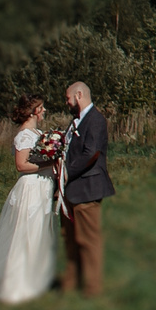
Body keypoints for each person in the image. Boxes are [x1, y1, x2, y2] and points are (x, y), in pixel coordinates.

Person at [0, 94, 61, 304]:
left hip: (43, 186)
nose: (44, 111)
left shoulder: (39, 133)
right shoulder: (24, 135)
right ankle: (17, 284)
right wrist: (48, 164)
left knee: (40, 233)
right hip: (31, 188)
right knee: (27, 232)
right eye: (42, 108)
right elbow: (21, 165)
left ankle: (36, 281)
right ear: (33, 111)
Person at [57, 79, 115, 294]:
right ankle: (70, 284)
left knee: (88, 240)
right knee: (70, 239)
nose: (67, 103)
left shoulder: (95, 120)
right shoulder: (75, 122)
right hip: (71, 191)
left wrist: (65, 173)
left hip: (87, 189)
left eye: (67, 98)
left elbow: (91, 154)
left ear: (78, 95)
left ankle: (92, 289)